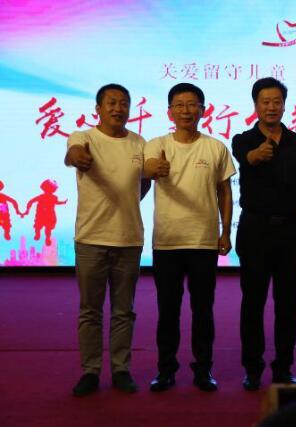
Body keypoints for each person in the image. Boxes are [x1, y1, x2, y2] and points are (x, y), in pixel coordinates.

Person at [144, 83, 235, 392]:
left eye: (192, 104)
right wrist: (153, 169)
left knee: (203, 310)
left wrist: (226, 231)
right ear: (169, 111)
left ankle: (203, 370)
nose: (186, 110)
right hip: (167, 241)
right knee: (167, 310)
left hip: (203, 241)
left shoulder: (215, 147)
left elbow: (225, 191)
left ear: (203, 110)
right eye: (179, 105)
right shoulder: (156, 145)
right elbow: (145, 171)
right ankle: (165, 370)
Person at [232, 77, 296, 390]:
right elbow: (247, 157)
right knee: (253, 302)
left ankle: (283, 367)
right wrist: (257, 154)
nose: (271, 107)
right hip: (255, 229)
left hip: (292, 230)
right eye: (265, 101)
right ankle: (252, 368)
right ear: (255, 105)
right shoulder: (243, 139)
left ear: (284, 105)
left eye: (277, 102)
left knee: (289, 303)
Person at [65, 84, 149, 396]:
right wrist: (77, 157)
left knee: (124, 310)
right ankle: (90, 371)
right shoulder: (83, 138)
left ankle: (120, 369)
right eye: (111, 103)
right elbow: (73, 154)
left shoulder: (139, 143)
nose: (118, 108)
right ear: (98, 109)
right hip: (91, 238)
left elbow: (144, 183)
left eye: (124, 103)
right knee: (90, 309)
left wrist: (128, 201)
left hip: (129, 238)